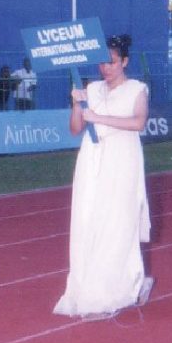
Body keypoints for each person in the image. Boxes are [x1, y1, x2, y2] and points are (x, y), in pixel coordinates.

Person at [53, 33, 153, 318]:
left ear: (124, 61)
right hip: (92, 159)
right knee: (88, 220)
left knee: (118, 221)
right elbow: (75, 129)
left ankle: (125, 284)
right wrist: (76, 104)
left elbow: (138, 122)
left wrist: (98, 118)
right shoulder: (92, 88)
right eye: (102, 63)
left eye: (111, 62)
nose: (106, 68)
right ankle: (88, 287)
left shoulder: (137, 89)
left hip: (122, 158)